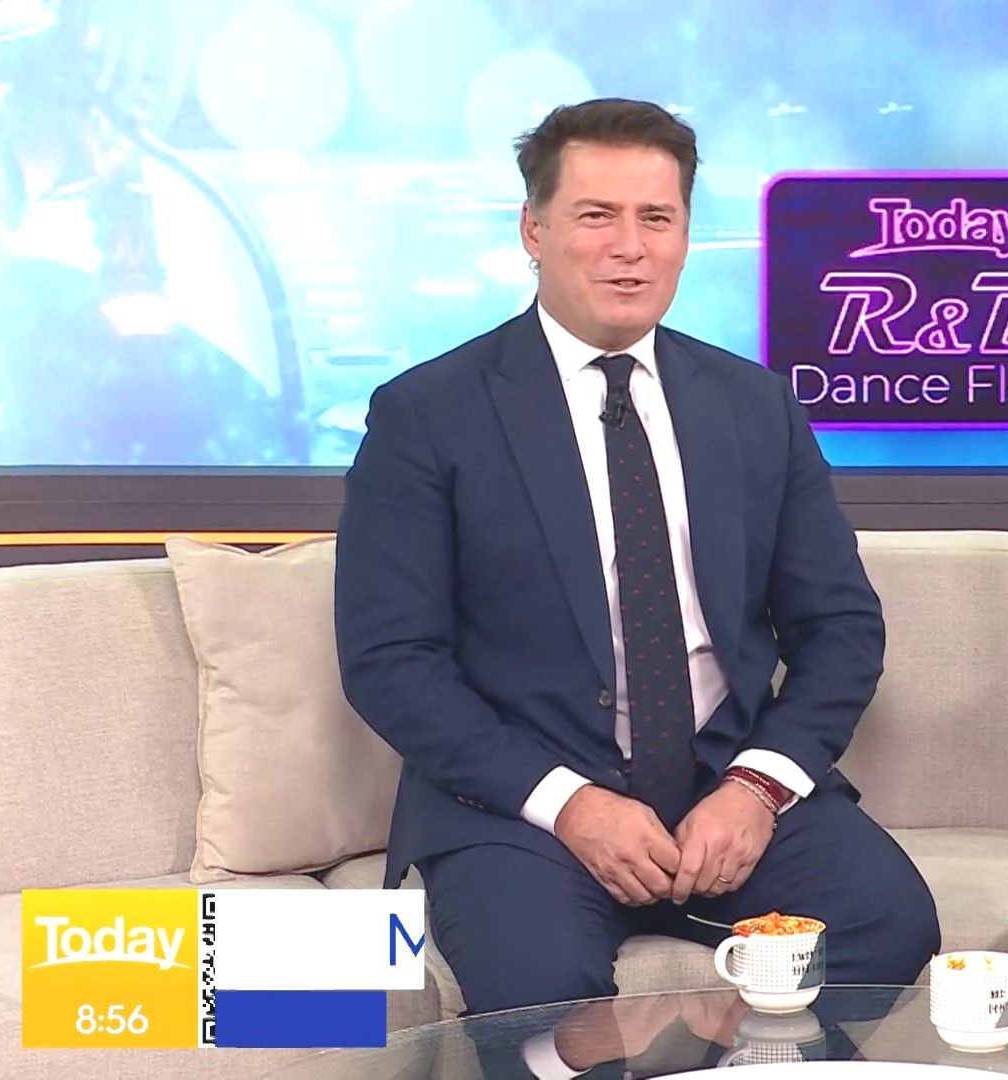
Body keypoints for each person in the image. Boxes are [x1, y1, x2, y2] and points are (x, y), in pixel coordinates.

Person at [334, 98, 939, 1021]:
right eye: (596, 216)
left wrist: (756, 788)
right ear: (533, 231)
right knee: (535, 995)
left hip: (723, 791)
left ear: (686, 236)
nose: (630, 248)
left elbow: (842, 629)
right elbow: (390, 660)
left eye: (656, 218)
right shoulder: (429, 413)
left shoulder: (755, 407)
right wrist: (571, 804)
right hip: (524, 811)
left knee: (889, 921)